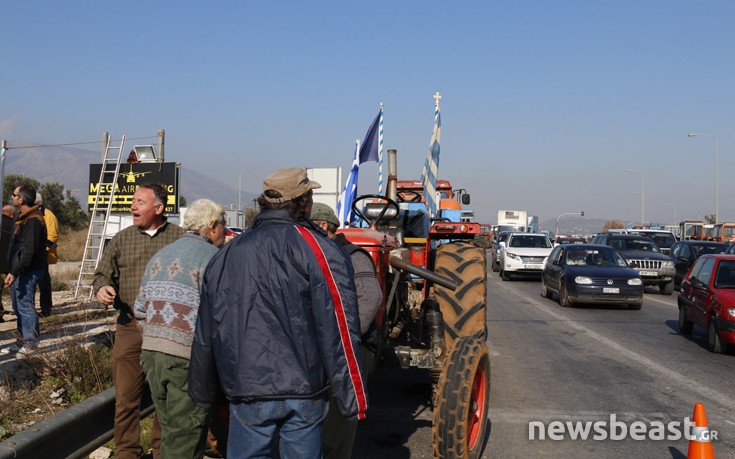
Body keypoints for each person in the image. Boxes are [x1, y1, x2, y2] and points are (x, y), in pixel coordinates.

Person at [189, 167, 368, 459]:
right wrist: (353, 398)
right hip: (304, 390)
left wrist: (201, 393)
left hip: (248, 390)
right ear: (304, 202)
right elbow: (340, 327)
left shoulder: (228, 254)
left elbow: (207, 329)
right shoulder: (320, 250)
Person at [93, 184, 184, 459]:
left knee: (164, 395)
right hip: (129, 325)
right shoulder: (121, 239)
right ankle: (127, 452)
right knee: (126, 397)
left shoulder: (180, 240)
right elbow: (101, 275)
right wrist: (102, 288)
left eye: (139, 202)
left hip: (168, 329)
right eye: (133, 201)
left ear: (158, 208)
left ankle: (160, 450)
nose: (132, 206)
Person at [133, 199, 226, 459]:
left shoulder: (161, 255)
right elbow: (223, 316)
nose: (225, 232)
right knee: (186, 436)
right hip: (186, 359)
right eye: (223, 226)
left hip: (152, 356)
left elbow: (139, 309)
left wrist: (158, 337)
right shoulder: (214, 259)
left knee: (171, 432)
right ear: (212, 226)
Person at [310, 202, 382, 459]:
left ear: (321, 226)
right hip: (321, 343)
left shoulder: (354, 256)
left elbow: (371, 298)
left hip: (351, 343)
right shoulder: (313, 253)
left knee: (339, 410)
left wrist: (344, 338)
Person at [5, 185, 47, 357]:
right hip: (20, 270)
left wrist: (15, 271)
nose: (12, 197)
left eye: (14, 195)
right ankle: (22, 339)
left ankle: (31, 342)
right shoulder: (23, 217)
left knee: (25, 306)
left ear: (20, 199)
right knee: (17, 305)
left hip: (28, 271)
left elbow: (29, 251)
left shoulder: (33, 221)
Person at [36, 193, 59, 317]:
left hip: (43, 255)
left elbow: (53, 236)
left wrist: (43, 249)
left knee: (44, 282)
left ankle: (46, 309)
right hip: (35, 254)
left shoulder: (48, 215)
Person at [0, 205, 15, 323]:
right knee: (15, 285)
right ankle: (18, 308)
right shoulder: (13, 224)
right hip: (9, 261)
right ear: (11, 214)